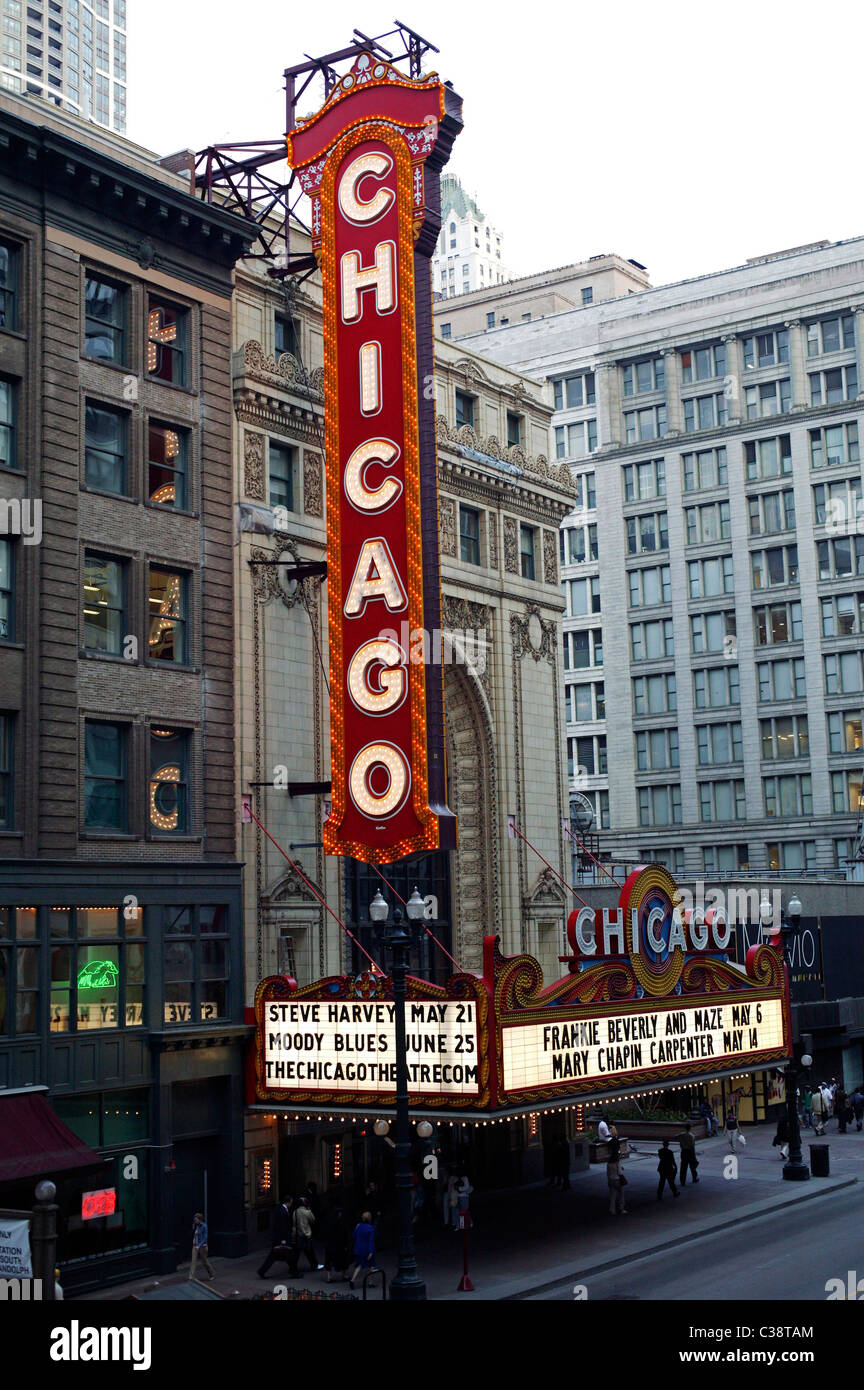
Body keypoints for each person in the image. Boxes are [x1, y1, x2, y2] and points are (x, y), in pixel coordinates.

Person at [257, 1196, 296, 1279]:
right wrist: (283, 1240)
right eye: (291, 1202)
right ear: (288, 1202)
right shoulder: (282, 1211)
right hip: (281, 1238)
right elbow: (282, 1226)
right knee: (289, 1254)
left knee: (274, 1256)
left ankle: (262, 1271)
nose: (291, 1204)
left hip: (278, 1238)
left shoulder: (281, 1209)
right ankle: (294, 1272)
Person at [292, 1196, 322, 1273]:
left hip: (298, 1234)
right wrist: (309, 1210)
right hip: (307, 1234)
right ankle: (314, 1265)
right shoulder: (307, 1212)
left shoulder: (295, 1212)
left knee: (297, 1252)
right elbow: (313, 1220)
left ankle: (293, 1267)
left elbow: (294, 1223)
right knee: (309, 1251)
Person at [348, 1211, 377, 1288]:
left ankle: (352, 1280)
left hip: (358, 1249)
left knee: (359, 1265)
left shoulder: (358, 1226)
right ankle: (370, 1282)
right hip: (366, 1249)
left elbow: (354, 1236)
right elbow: (371, 1240)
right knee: (371, 1265)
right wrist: (371, 1252)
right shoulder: (370, 1228)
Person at [323, 1204, 350, 1283]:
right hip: (339, 1245)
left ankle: (329, 1277)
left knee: (329, 1260)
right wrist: (346, 1244)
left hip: (330, 1245)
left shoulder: (329, 1222)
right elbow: (344, 1235)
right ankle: (344, 1275)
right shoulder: (341, 1223)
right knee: (343, 1259)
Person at [189, 1211, 215, 1282]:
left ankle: (212, 1274)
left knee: (204, 1261)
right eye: (194, 1219)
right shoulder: (196, 1226)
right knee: (193, 1261)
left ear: (200, 1219)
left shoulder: (204, 1226)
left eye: (196, 1219)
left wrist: (199, 1246)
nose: (195, 1221)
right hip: (195, 1245)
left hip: (202, 1246)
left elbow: (205, 1238)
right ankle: (191, 1276)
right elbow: (194, 1235)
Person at [607, 1149, 627, 1216]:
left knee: (612, 1196)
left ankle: (612, 1210)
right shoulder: (617, 1163)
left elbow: (608, 1173)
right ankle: (621, 1208)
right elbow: (620, 1172)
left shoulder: (609, 1163)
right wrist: (621, 1168)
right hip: (617, 1180)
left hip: (611, 1180)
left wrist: (609, 1181)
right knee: (621, 1194)